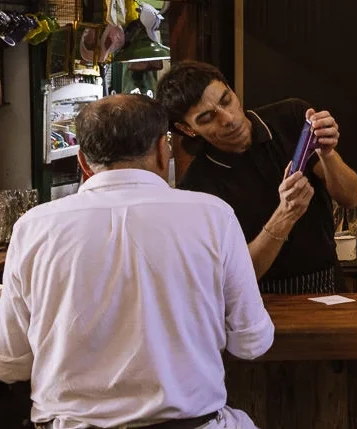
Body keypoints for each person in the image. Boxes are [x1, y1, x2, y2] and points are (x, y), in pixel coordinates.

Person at [0, 93, 274, 429]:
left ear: (84, 163)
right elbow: (251, 343)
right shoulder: (213, 215)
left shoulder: (33, 227)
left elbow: (10, 363)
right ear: (163, 150)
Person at [155, 62, 357, 295]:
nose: (228, 119)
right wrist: (285, 215)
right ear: (187, 129)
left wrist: (328, 154)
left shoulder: (290, 118)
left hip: (328, 283)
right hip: (261, 300)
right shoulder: (197, 188)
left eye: (226, 101)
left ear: (231, 89)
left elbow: (351, 198)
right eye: (207, 118)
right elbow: (233, 278)